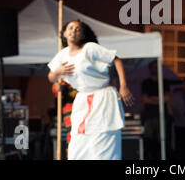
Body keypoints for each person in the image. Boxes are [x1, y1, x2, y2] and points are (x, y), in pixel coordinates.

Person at [47, 20, 134, 160]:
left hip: (102, 97)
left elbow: (116, 60)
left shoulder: (89, 48)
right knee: (78, 143)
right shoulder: (62, 55)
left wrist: (123, 85)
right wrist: (58, 71)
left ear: (82, 35)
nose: (73, 31)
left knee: (103, 141)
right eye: (70, 28)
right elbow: (51, 77)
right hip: (83, 100)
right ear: (64, 33)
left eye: (78, 29)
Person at [141, 60, 173, 159]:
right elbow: (146, 99)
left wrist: (153, 98)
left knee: (162, 140)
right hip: (150, 115)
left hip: (162, 115)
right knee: (149, 140)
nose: (155, 69)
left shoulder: (165, 82)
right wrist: (160, 99)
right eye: (153, 67)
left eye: (157, 67)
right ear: (150, 69)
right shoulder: (146, 82)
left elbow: (167, 98)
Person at [51, 81, 77, 157]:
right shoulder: (65, 73)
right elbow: (56, 85)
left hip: (90, 105)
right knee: (73, 137)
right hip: (71, 109)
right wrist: (58, 87)